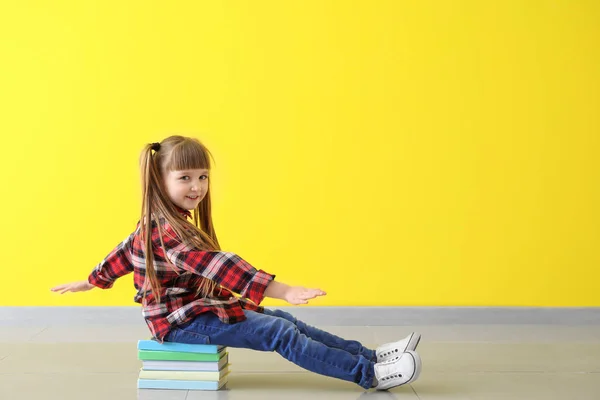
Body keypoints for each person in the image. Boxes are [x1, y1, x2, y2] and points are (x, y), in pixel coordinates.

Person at [51, 135, 422, 391]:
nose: (196, 187)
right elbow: (220, 265)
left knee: (285, 322)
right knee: (278, 333)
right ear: (159, 182)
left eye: (202, 177)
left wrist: (92, 280)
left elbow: (122, 254)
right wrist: (283, 289)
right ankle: (369, 373)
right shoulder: (170, 234)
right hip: (181, 325)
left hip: (195, 312)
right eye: (185, 178)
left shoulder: (159, 225)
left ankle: (369, 354)